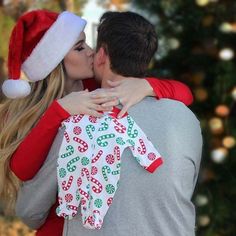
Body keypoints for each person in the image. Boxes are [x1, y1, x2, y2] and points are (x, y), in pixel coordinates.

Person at [15, 11, 202, 236]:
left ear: (103, 55)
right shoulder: (186, 119)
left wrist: (149, 86)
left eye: (89, 44)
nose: (90, 52)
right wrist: (58, 112)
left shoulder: (95, 106)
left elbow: (29, 211)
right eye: (80, 46)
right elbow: (22, 169)